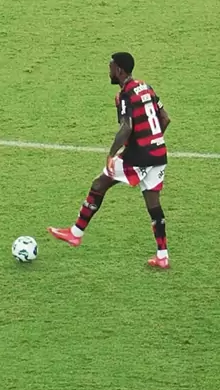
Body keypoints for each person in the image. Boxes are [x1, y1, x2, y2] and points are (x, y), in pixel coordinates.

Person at [47, 52, 171, 268]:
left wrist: (112, 154)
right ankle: (162, 256)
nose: (109, 71)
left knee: (99, 184)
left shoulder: (124, 95)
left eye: (111, 67)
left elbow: (126, 127)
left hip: (139, 156)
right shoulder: (146, 87)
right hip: (159, 153)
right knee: (153, 204)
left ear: (119, 70)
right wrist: (152, 140)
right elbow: (165, 118)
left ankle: (75, 233)